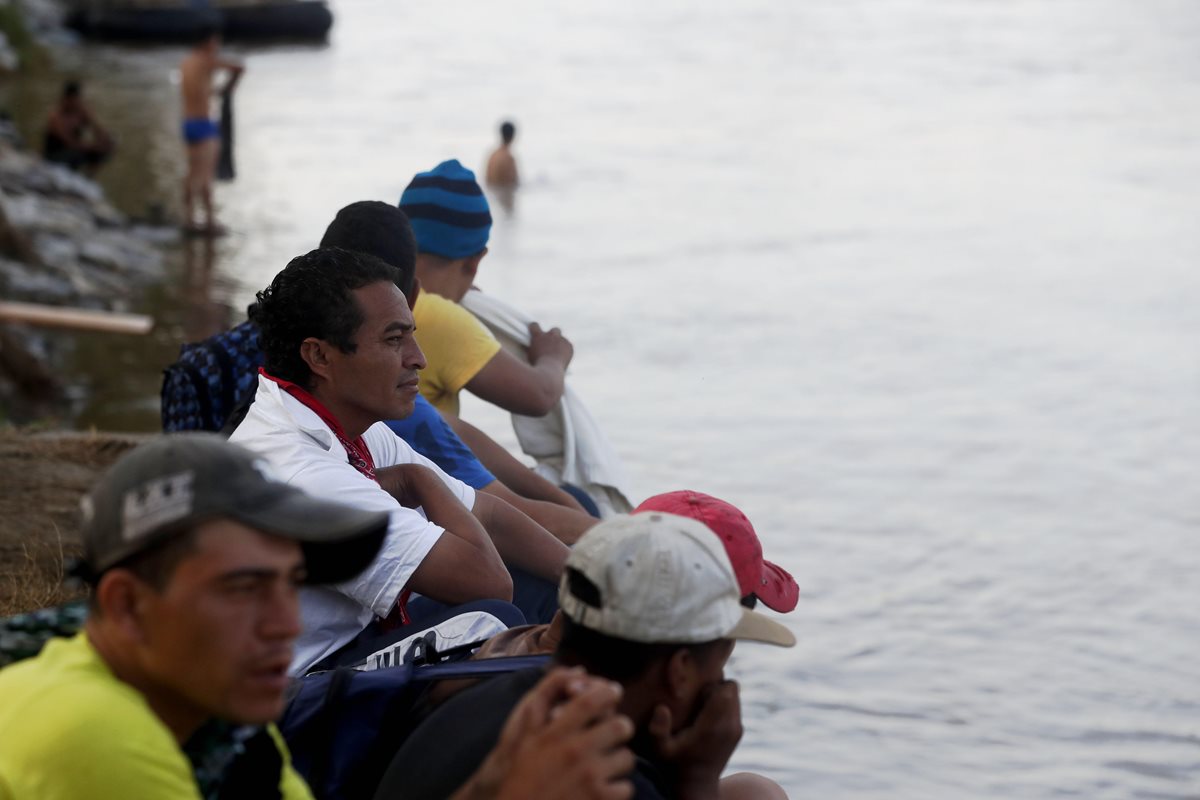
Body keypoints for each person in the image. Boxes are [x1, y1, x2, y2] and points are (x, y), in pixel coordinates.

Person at [229, 247, 570, 674]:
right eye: (394, 340)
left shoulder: (345, 422)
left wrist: (599, 587)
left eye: (411, 335)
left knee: (544, 584)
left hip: (355, 637)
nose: (418, 358)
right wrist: (419, 477)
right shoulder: (305, 474)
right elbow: (490, 584)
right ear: (319, 356)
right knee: (494, 619)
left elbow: (490, 515)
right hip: (301, 683)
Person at [0, 433, 389, 799]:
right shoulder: (87, 730)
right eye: (245, 588)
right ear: (127, 606)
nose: (288, 625)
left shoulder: (220, 717)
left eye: (293, 583)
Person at [377, 512, 797, 800]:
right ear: (681, 670)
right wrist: (698, 781)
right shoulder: (602, 776)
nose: (720, 686)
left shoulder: (501, 690)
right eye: (719, 665)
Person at [319, 200, 597, 542]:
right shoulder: (391, 394)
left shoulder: (285, 358)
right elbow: (536, 400)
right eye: (395, 338)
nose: (419, 358)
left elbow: (447, 426)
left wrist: (565, 503)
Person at [398, 159, 574, 420]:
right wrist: (553, 356)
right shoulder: (439, 317)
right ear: (475, 261)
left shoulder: (378, 292)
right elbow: (540, 396)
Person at [179, 28, 243, 235]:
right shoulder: (206, 61)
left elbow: (199, 89)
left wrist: (216, 90)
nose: (217, 46)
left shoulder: (186, 62)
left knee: (192, 173)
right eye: (216, 42)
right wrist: (228, 88)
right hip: (204, 124)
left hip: (188, 123)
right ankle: (209, 221)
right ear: (207, 42)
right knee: (206, 176)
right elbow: (239, 67)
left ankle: (188, 218)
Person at [42, 80, 114, 175]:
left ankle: (88, 176)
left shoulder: (81, 111)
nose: (76, 102)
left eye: (77, 99)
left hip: (75, 150)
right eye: (73, 99)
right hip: (56, 155)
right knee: (80, 153)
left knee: (108, 144)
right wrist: (92, 146)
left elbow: (98, 129)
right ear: (66, 98)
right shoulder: (56, 116)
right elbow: (69, 142)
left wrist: (103, 140)